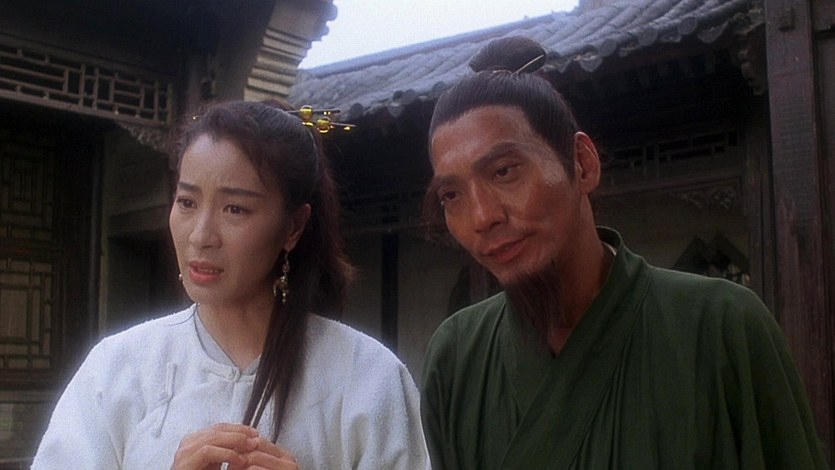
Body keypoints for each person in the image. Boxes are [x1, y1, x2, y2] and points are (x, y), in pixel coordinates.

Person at [420, 36, 828, 469]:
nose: (482, 217)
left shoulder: (723, 326)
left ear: (582, 163)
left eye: (504, 171)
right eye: (451, 195)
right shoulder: (457, 356)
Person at [33, 100, 430, 469]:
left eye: (235, 209)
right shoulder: (117, 368)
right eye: (187, 202)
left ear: (293, 227)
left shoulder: (367, 377)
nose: (201, 236)